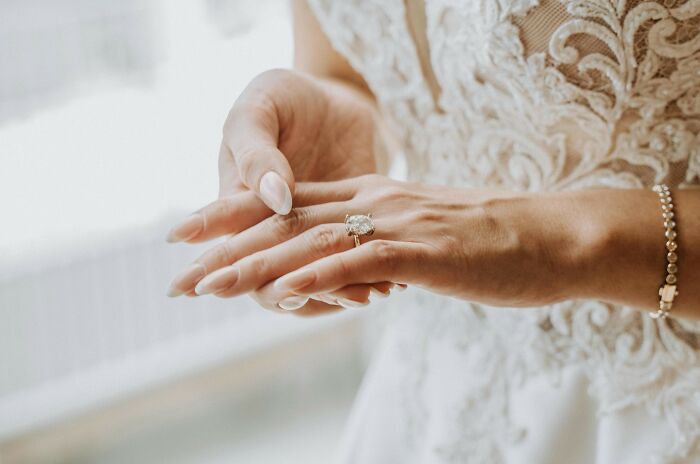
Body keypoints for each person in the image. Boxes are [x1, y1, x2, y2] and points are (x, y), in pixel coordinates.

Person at [166, 1, 700, 462]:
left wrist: (549, 238)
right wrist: (339, 108)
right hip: (434, 380)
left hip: (661, 399)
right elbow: (347, 68)